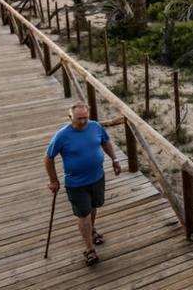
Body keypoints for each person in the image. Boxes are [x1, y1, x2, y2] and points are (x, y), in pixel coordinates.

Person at [44, 102, 122, 266]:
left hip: (97, 178)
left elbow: (105, 142)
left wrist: (115, 160)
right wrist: (53, 180)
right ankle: (89, 249)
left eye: (85, 117)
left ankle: (92, 231)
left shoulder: (95, 127)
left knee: (94, 207)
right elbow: (48, 157)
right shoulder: (62, 135)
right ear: (70, 117)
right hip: (76, 183)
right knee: (84, 214)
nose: (83, 121)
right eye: (79, 119)